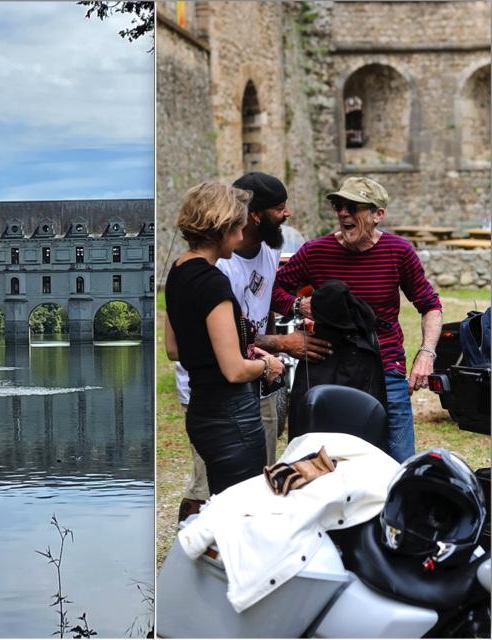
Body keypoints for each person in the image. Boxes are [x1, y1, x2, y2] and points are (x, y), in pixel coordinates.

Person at [174, 173, 332, 519]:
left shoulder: (181, 270)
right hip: (227, 399)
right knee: (218, 494)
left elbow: (176, 347)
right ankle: (200, 554)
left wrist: (289, 315)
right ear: (248, 217)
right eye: (279, 207)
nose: (287, 213)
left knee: (260, 480)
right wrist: (275, 355)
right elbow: (229, 360)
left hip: (246, 392)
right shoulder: (217, 276)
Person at [273, 176, 441, 462]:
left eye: (354, 207)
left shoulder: (398, 252)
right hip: (327, 366)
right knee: (317, 463)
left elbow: (430, 306)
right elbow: (273, 289)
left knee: (398, 462)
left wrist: (426, 353)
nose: (343, 213)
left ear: (378, 214)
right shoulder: (316, 251)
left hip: (385, 367)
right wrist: (299, 305)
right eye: (339, 206)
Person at [165, 181, 285, 496]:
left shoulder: (177, 272)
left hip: (201, 411)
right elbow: (233, 369)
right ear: (222, 228)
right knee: (244, 507)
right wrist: (268, 364)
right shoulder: (214, 284)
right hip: (231, 418)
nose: (243, 234)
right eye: (239, 227)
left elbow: (173, 349)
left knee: (218, 504)